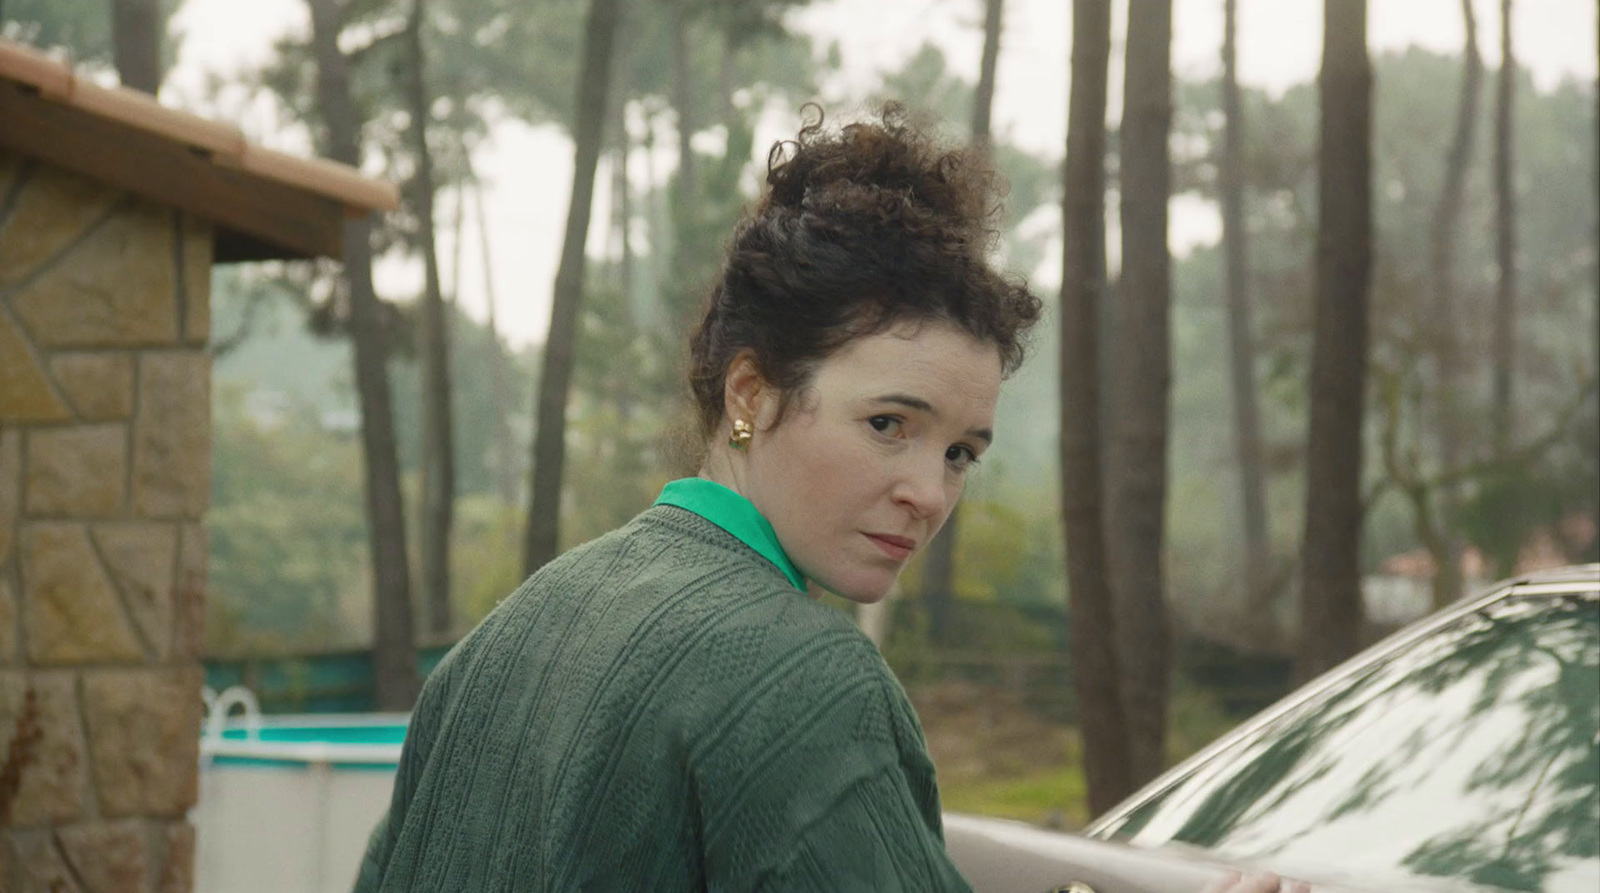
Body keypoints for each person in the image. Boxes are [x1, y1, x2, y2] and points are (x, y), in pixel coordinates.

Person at [352, 106, 1302, 893]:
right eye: (890, 423)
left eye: (963, 452)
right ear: (750, 394)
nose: (929, 494)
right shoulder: (801, 681)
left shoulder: (505, 637)